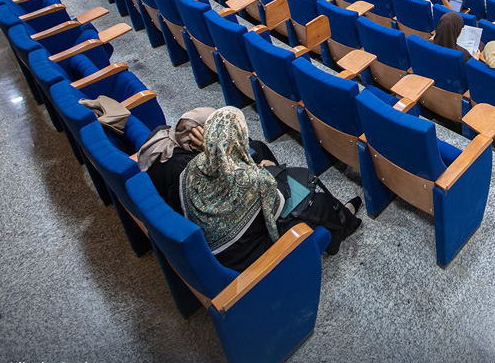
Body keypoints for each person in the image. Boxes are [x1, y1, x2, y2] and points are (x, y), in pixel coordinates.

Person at [180, 107, 360, 271]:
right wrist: (269, 170)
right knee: (318, 202)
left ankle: (342, 218)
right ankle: (345, 225)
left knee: (260, 151)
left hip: (218, 255)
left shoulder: (190, 169)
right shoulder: (255, 179)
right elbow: (276, 203)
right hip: (251, 260)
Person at [138, 107, 278, 211]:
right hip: (211, 212)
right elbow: (233, 183)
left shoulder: (162, 133)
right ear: (195, 139)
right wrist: (211, 149)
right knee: (258, 149)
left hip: (162, 199)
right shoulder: (191, 169)